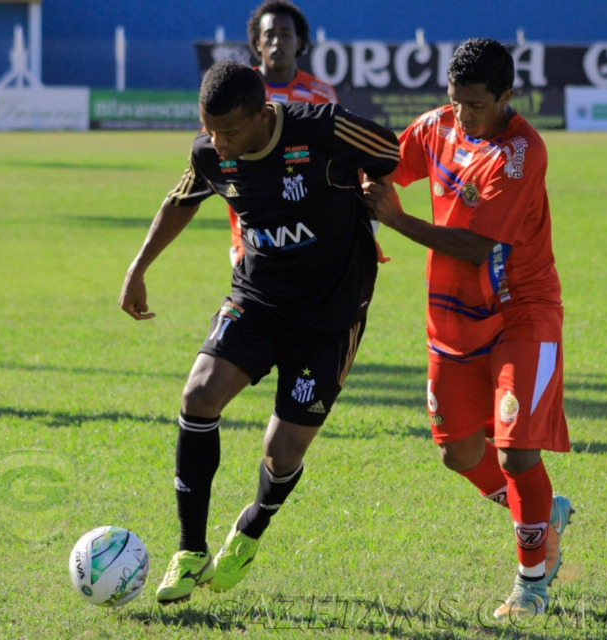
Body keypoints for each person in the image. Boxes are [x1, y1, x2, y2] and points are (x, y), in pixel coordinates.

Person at [119, 60, 399, 605]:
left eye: (228, 131)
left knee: (282, 449)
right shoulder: (209, 152)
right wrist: (138, 268)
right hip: (258, 298)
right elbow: (181, 199)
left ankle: (250, 529)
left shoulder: (322, 128)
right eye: (208, 128)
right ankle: (190, 549)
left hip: (330, 314)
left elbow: (388, 148)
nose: (217, 142)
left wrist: (370, 185)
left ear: (262, 113)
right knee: (199, 394)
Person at [363, 38, 573, 618]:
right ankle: (542, 512)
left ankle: (531, 585)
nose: (460, 114)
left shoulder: (520, 154)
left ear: (507, 96)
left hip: (521, 315)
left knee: (516, 454)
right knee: (458, 453)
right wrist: (362, 191)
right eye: (454, 101)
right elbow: (388, 167)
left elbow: (477, 245)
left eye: (474, 105)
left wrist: (398, 221)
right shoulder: (437, 127)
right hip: (451, 316)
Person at [224, 0, 337, 267]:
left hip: (309, 231)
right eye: (269, 35)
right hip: (252, 236)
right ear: (256, 42)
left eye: (286, 34)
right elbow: (216, 154)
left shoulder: (321, 95)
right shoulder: (236, 92)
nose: (277, 42)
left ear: (299, 42)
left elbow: (338, 159)